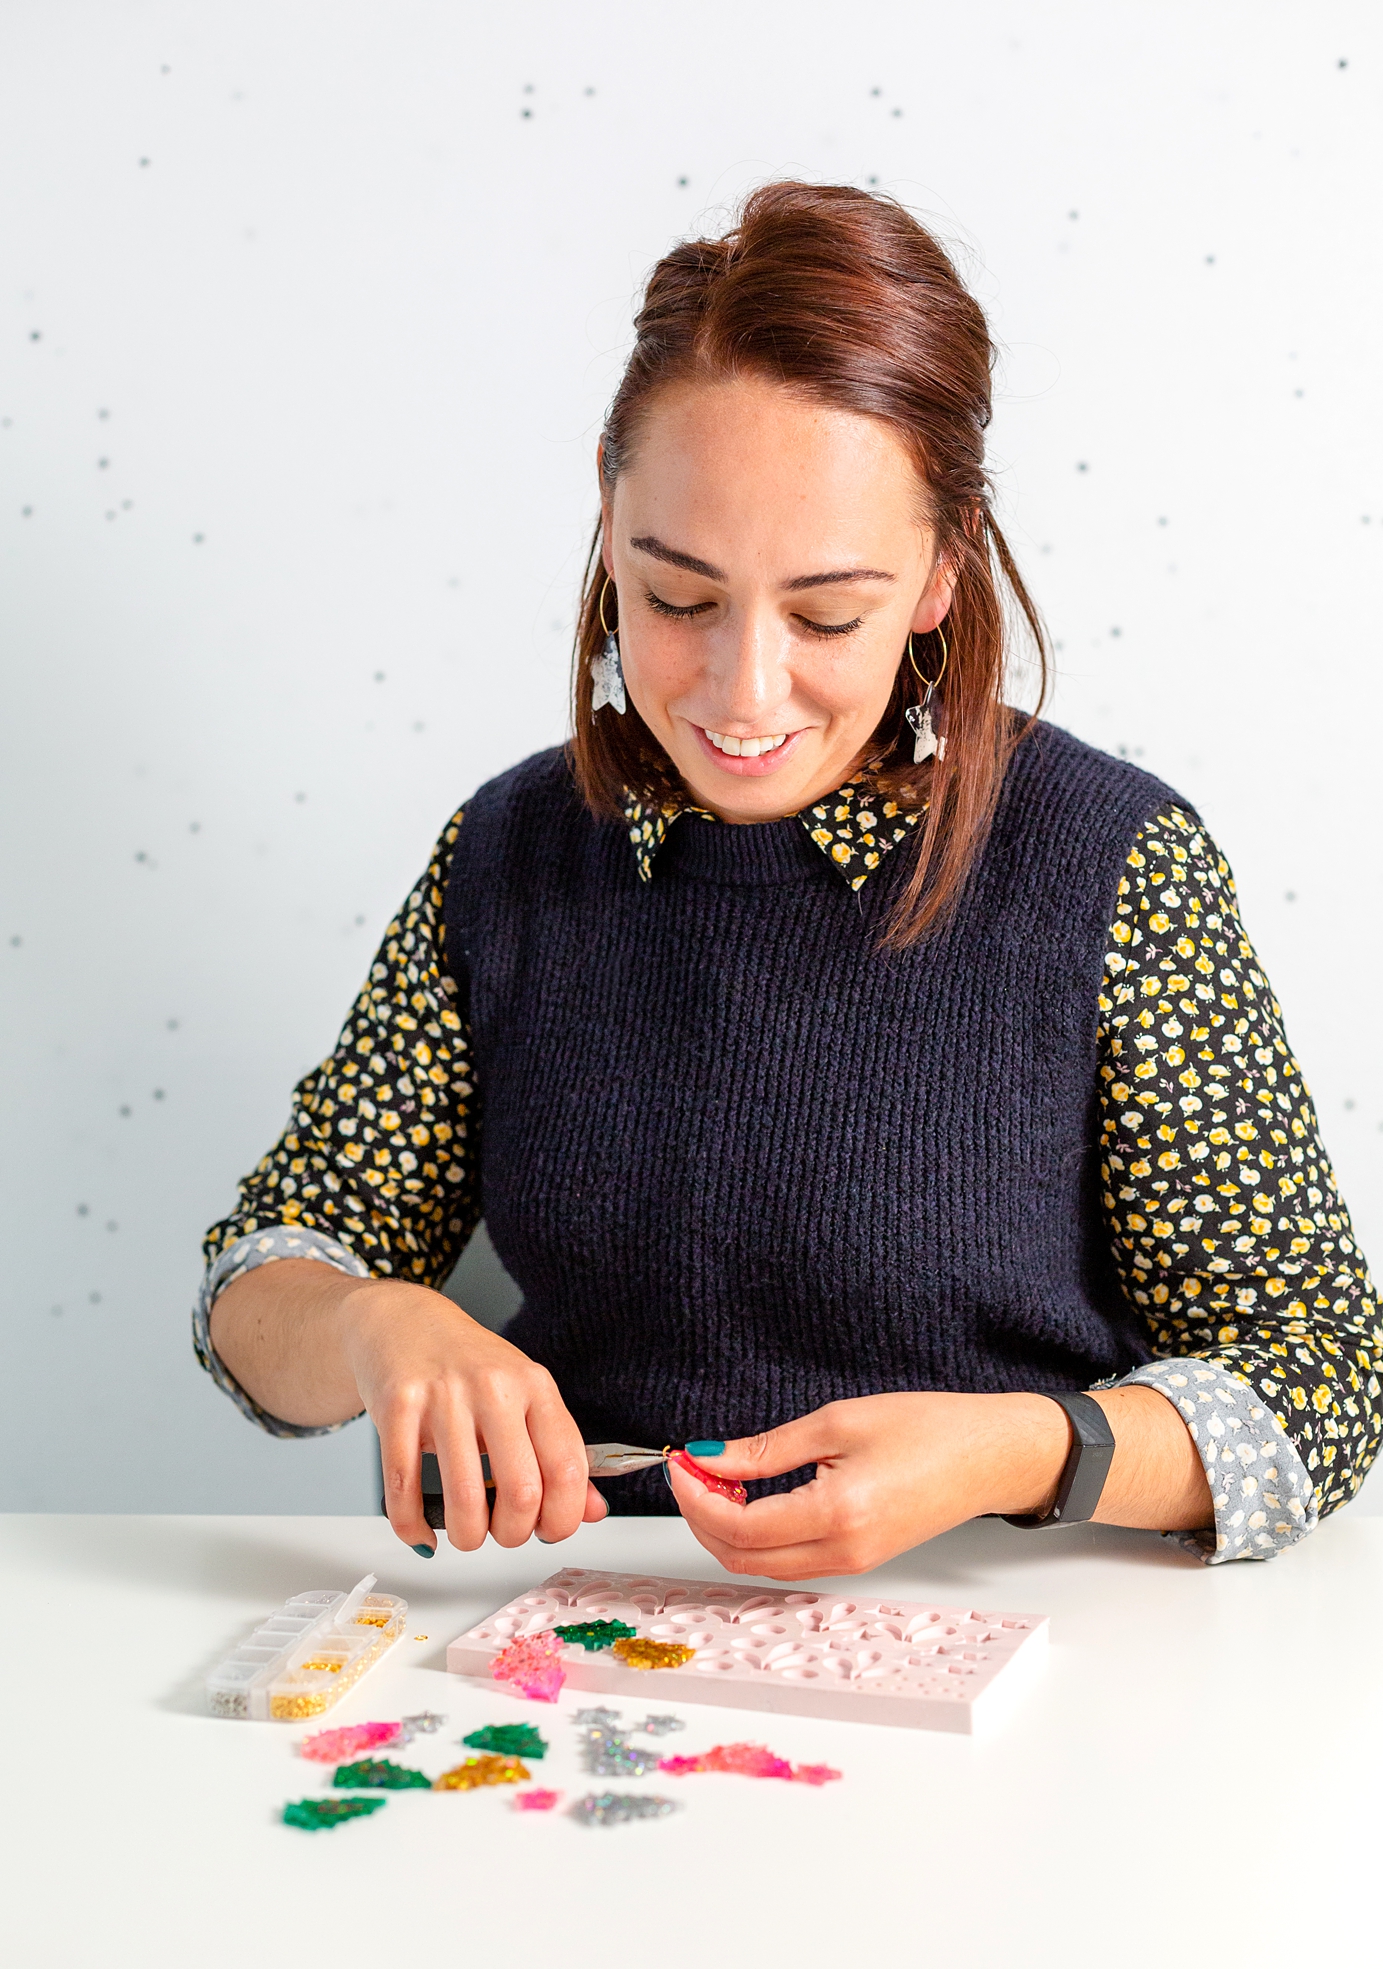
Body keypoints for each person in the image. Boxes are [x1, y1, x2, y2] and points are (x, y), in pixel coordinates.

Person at [197, 181, 1380, 1581]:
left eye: (827, 613)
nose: (740, 692)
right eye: (677, 597)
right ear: (607, 508)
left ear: (940, 571)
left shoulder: (1112, 868)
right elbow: (260, 1281)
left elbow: (1323, 1379)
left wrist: (1023, 1448)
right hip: (595, 1644)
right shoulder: (511, 855)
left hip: (1031, 1651)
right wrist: (367, 1325)